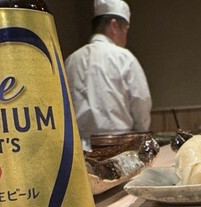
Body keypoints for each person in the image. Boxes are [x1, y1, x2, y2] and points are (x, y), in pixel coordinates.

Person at [65, 0, 152, 150]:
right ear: (114, 26)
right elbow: (141, 102)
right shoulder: (124, 58)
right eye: (126, 30)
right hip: (122, 148)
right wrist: (141, 135)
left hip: (81, 150)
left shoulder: (71, 60)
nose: (126, 37)